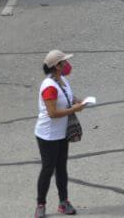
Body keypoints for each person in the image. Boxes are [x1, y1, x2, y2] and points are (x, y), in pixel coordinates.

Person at [34, 50, 84, 218]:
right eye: (64, 62)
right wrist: (74, 109)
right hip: (48, 136)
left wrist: (78, 101)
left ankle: (63, 202)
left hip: (62, 133)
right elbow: (53, 113)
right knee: (48, 169)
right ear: (57, 66)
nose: (67, 64)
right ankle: (40, 204)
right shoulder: (49, 87)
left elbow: (68, 95)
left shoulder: (62, 80)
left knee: (61, 168)